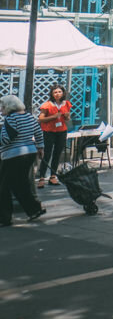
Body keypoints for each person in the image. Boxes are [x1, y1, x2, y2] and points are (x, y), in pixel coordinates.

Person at [0, 95, 45, 226]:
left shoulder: (11, 118)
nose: (1, 109)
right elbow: (38, 132)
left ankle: (4, 218)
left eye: (2, 106)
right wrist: (41, 147)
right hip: (29, 153)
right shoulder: (29, 116)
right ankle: (34, 209)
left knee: (3, 187)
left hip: (14, 156)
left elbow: (7, 139)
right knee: (19, 184)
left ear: (9, 106)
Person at [36, 84, 71, 188]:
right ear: (52, 94)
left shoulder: (66, 104)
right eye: (55, 92)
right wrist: (53, 117)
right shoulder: (47, 105)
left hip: (61, 131)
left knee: (57, 154)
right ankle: (41, 177)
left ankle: (53, 176)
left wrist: (67, 116)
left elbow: (68, 119)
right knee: (47, 154)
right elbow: (40, 119)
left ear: (63, 93)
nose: (57, 94)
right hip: (49, 131)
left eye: (59, 92)